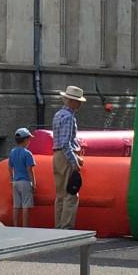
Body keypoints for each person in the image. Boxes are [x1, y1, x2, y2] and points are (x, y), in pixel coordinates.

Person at [52, 85, 85, 230]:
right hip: (66, 157)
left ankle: (59, 226)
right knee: (71, 194)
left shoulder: (58, 115)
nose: (80, 104)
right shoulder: (69, 117)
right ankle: (66, 227)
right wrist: (75, 161)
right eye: (78, 101)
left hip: (56, 155)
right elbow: (66, 143)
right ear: (72, 101)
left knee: (60, 194)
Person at [6, 127, 36, 228]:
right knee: (25, 206)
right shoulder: (27, 154)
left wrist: (11, 179)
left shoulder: (12, 152)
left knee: (16, 206)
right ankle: (25, 227)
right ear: (26, 140)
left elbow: (10, 167)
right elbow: (29, 170)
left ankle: (15, 226)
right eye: (29, 139)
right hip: (25, 182)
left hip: (15, 182)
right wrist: (33, 183)